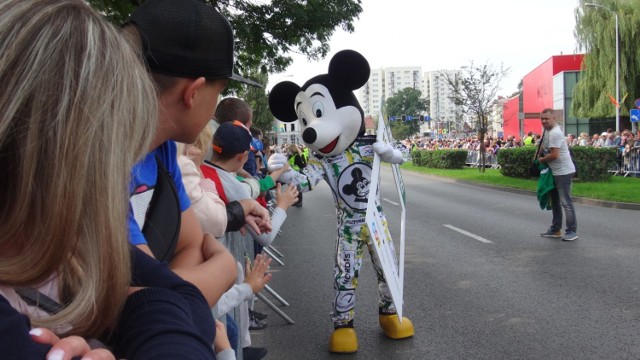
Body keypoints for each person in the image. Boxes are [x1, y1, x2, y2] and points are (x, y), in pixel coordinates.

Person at [0, 1, 227, 359]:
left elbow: (178, 289)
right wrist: (223, 269)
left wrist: (145, 306)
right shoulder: (79, 210)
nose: (126, 151)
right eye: (113, 129)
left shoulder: (66, 229)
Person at [123, 0, 275, 310]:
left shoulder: (161, 148)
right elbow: (152, 304)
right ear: (193, 93)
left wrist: (174, 292)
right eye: (218, 92)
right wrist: (221, 270)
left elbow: (190, 244)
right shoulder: (105, 164)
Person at [537, 108, 578, 241]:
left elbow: (555, 155)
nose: (544, 121)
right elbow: (545, 147)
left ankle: (572, 231)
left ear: (554, 118)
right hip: (554, 171)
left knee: (566, 202)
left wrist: (541, 160)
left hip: (563, 171)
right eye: (542, 118)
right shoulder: (547, 131)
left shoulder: (555, 133)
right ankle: (555, 229)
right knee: (555, 201)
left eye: (546, 118)